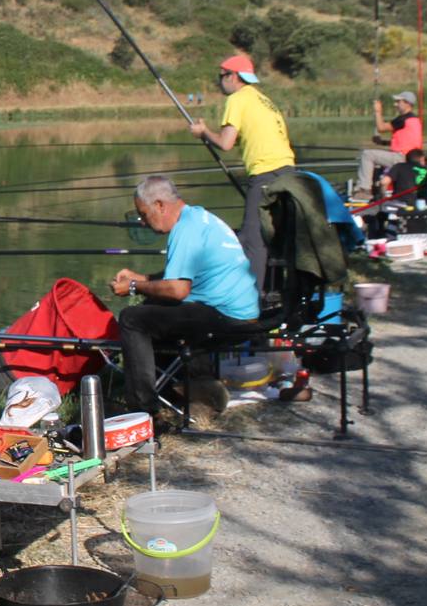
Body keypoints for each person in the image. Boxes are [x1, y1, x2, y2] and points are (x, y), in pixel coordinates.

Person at [110, 176, 261, 414]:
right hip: (241, 310)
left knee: (132, 319)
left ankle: (143, 411)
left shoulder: (185, 230)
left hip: (228, 317)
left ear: (159, 205)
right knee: (154, 306)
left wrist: (132, 287)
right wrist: (143, 279)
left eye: (144, 214)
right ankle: (193, 385)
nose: (142, 222)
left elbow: (178, 290)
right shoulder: (198, 218)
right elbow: (184, 276)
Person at [188, 54, 295, 292]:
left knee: (251, 240)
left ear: (233, 76)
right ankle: (274, 294)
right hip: (288, 173)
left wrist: (203, 132)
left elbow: (226, 143)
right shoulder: (263, 99)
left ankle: (250, 304)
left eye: (221, 76)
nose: (220, 82)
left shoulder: (237, 99)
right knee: (273, 237)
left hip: (266, 173)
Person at [353, 91, 423, 200]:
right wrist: (383, 142)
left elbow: (381, 128)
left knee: (367, 154)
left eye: (398, 101)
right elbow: (405, 141)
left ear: (407, 103)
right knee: (375, 161)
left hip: (401, 158)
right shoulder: (414, 119)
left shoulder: (403, 119)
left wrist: (377, 111)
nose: (395, 104)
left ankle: (364, 189)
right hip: (410, 158)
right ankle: (376, 190)